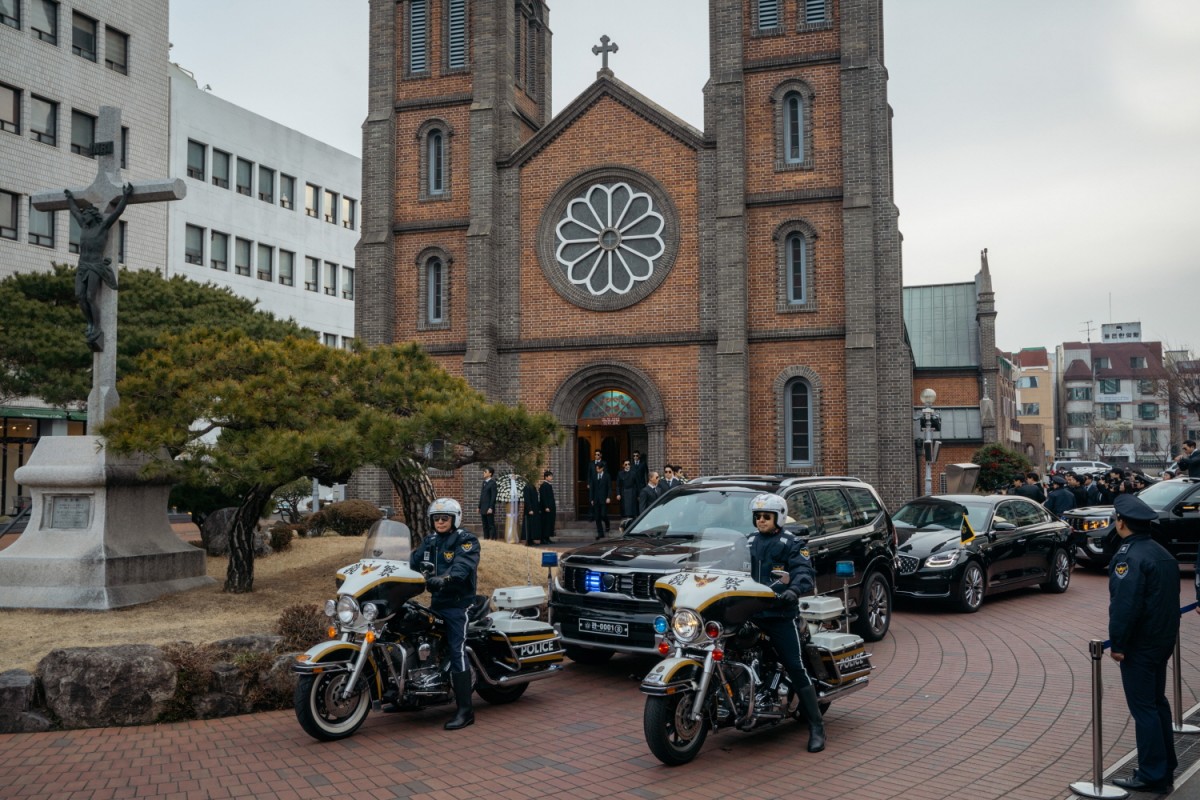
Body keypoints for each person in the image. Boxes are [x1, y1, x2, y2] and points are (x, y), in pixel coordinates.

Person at [1108, 493, 1180, 792]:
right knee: (1157, 703)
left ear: (1122, 523)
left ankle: (1152, 774)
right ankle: (1166, 766)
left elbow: (1126, 605)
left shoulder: (1128, 557)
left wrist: (1119, 644)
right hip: (1162, 641)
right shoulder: (1161, 552)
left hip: (1140, 644)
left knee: (1144, 709)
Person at [746, 493, 825, 753]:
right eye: (758, 517)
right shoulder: (748, 542)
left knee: (795, 665)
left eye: (766, 517)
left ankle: (816, 727)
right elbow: (728, 566)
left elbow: (803, 571)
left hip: (779, 615)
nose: (761, 521)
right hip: (750, 612)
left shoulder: (792, 543)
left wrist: (794, 589)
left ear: (778, 517)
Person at [410, 498, 481, 730]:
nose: (440, 522)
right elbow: (412, 562)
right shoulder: (429, 541)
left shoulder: (466, 540)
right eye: (436, 518)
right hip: (437, 602)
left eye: (445, 518)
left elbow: (462, 566)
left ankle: (465, 711)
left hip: (459, 604)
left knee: (456, 648)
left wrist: (446, 578)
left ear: (454, 519)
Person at [65, 184, 133, 351]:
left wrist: (125, 197)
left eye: (86, 214)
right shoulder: (84, 226)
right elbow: (74, 212)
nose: (84, 216)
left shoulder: (102, 226)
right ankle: (89, 322)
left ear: (92, 216)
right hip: (82, 265)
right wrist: (69, 199)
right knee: (79, 295)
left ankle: (96, 326)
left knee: (89, 296)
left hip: (95, 265)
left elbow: (117, 212)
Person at [589, 461, 612, 539]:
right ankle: (600, 533)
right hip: (596, 499)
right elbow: (592, 488)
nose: (597, 470)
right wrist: (591, 499)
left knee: (603, 515)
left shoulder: (607, 476)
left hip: (604, 499)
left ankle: (607, 523)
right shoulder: (594, 476)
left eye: (598, 469)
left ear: (602, 468)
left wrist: (608, 497)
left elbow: (609, 488)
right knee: (597, 517)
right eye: (596, 468)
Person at [478, 467, 498, 541]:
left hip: (489, 508)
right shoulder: (484, 483)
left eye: (485, 471)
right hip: (483, 507)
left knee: (491, 524)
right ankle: (486, 538)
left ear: (490, 474)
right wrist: (479, 506)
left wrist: (491, 508)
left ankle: (492, 539)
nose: (484, 472)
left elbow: (493, 497)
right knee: (484, 524)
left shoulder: (493, 483)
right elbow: (482, 495)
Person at [522, 477, 542, 545]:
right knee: (529, 525)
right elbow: (527, 499)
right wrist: (529, 509)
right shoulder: (527, 487)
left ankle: (531, 539)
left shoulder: (532, 487)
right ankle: (528, 540)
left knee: (533, 525)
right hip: (530, 510)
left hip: (534, 509)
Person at [539, 470, 557, 542]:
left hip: (551, 507)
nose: (551, 477)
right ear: (546, 477)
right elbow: (543, 497)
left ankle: (548, 537)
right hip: (546, 508)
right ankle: (543, 538)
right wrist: (546, 506)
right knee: (546, 523)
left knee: (550, 523)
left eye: (551, 476)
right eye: (550, 476)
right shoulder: (543, 486)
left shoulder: (549, 485)